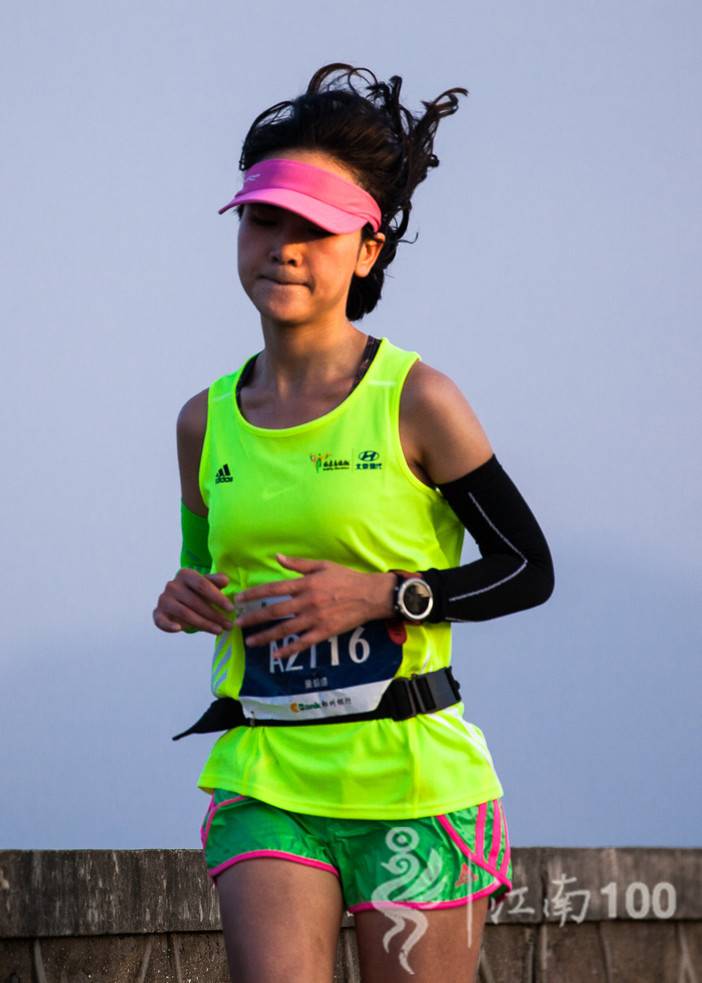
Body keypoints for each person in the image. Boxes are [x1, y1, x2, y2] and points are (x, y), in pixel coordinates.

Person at [153, 63, 554, 983]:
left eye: (315, 229)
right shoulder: (202, 422)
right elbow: (205, 579)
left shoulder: (418, 399)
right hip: (265, 772)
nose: (285, 248)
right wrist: (184, 598)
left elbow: (528, 567)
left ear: (367, 249)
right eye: (264, 219)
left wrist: (383, 595)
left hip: (415, 780)